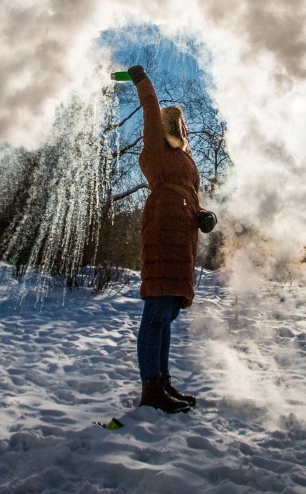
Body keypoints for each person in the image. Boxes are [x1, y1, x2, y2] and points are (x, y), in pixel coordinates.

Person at [125, 64, 216, 414]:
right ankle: (151, 388)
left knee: (167, 312)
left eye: (182, 124)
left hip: (183, 235)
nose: (181, 128)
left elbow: (191, 195)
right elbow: (150, 107)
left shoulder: (184, 159)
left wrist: (203, 214)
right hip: (163, 228)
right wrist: (142, 80)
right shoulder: (156, 151)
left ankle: (162, 380)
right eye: (175, 123)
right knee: (156, 312)